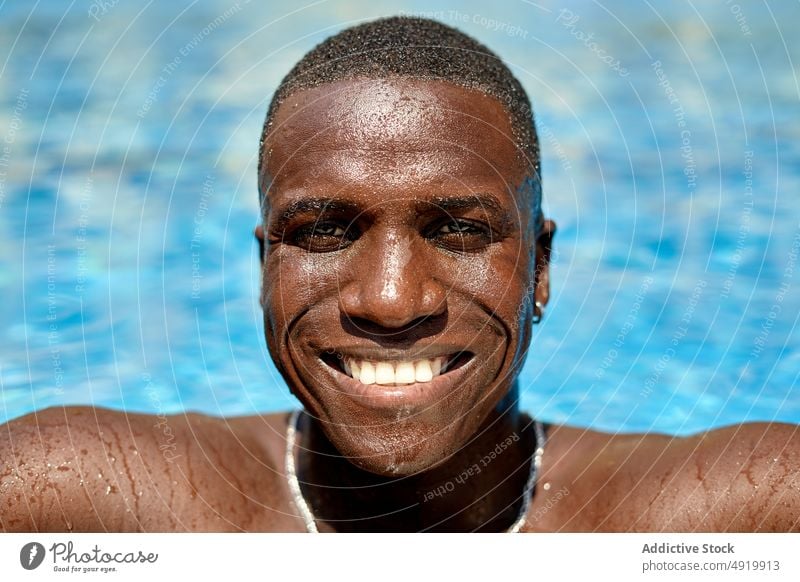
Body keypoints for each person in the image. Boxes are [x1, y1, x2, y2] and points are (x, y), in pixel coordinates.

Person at [1, 17, 798, 533]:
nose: (390, 301)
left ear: (540, 268)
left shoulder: (731, 512)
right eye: (322, 231)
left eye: (458, 231)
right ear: (262, 266)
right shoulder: (80, 502)